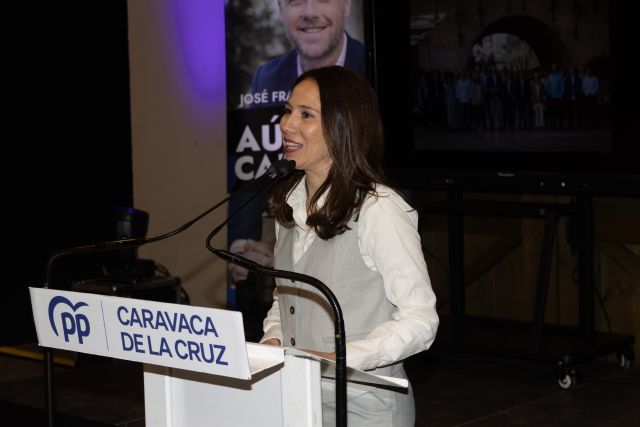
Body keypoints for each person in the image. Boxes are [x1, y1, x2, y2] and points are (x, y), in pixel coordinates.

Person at [259, 66, 439, 426]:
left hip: (365, 408)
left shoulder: (379, 209)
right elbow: (286, 300)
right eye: (288, 111)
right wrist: (272, 341)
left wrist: (339, 358)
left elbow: (421, 320)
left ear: (344, 126)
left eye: (306, 115)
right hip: (297, 399)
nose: (287, 124)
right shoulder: (288, 206)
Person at [251, 0, 365, 104]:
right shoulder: (265, 81)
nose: (310, 13)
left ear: (346, 4)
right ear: (281, 9)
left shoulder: (370, 66)